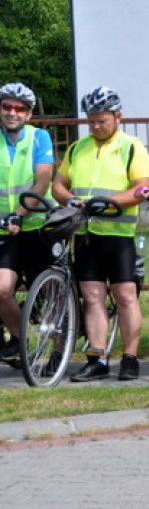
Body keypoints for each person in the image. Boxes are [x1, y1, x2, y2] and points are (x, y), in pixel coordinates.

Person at [52, 87, 149, 381]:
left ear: (118, 117)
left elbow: (142, 188)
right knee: (92, 295)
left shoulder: (132, 147)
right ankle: (97, 359)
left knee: (125, 295)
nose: (96, 127)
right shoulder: (77, 148)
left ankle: (130, 357)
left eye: (102, 121)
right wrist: (70, 200)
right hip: (85, 233)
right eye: (91, 121)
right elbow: (58, 185)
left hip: (119, 235)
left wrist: (106, 203)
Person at [0, 83, 55, 368]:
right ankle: (20, 340)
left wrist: (19, 213)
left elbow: (42, 180)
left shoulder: (39, 137)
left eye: (19, 108)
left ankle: (59, 352)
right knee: (2, 290)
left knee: (49, 292)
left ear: (29, 114)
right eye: (6, 106)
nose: (12, 112)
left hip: (37, 227)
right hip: (5, 231)